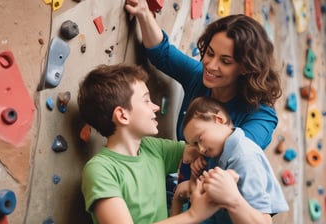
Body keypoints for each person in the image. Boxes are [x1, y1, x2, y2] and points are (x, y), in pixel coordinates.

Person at [125, 0, 282, 205]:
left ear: (246, 67)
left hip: (215, 205)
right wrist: (144, 14)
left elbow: (237, 157)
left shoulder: (261, 116)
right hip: (180, 191)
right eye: (209, 53)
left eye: (225, 61)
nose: (211, 65)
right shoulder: (199, 78)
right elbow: (162, 54)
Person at [77, 64, 222, 224]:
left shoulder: (152, 148)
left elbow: (199, 149)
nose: (156, 107)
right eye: (146, 100)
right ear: (122, 115)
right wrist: (194, 215)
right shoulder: (100, 170)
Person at [173, 96, 289, 224]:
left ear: (219, 120)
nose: (200, 149)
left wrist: (232, 199)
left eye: (200, 138)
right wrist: (196, 177)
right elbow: (202, 203)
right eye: (194, 144)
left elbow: (263, 221)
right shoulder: (217, 152)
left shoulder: (244, 158)